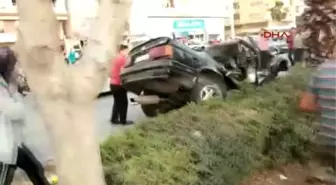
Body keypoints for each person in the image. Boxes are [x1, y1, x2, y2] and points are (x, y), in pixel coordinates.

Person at [0, 47, 51, 185]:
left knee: (34, 168)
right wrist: (15, 92)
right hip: (3, 149)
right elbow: (17, 113)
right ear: (7, 68)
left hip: (13, 143)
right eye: (15, 65)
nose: (18, 69)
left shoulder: (5, 84)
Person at [110, 44, 133, 125]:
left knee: (117, 102)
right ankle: (123, 121)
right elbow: (125, 71)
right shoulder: (122, 59)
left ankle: (113, 119)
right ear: (122, 50)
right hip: (119, 84)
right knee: (123, 103)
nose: (127, 52)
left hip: (113, 84)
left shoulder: (114, 59)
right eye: (126, 50)